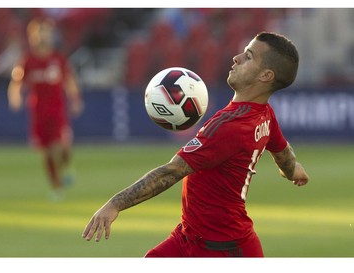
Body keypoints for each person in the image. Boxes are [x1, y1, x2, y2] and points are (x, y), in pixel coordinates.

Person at [82, 31, 310, 257]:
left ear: (266, 76)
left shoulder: (231, 126)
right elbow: (283, 152)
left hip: (224, 251)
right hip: (188, 238)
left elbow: (171, 172)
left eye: (248, 56)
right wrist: (293, 171)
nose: (236, 58)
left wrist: (115, 205)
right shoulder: (264, 114)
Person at [7, 17, 84, 201]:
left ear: (50, 35)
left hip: (57, 111)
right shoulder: (27, 60)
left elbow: (69, 80)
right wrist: (15, 97)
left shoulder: (58, 59)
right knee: (47, 151)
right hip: (38, 111)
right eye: (38, 32)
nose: (42, 36)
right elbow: (16, 82)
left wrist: (75, 99)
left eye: (45, 32)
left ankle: (65, 167)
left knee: (62, 147)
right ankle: (56, 187)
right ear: (32, 36)